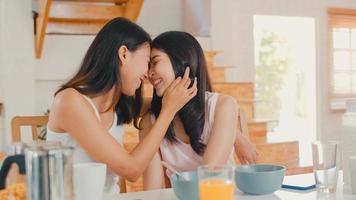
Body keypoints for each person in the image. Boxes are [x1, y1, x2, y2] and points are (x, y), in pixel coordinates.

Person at [46, 18, 197, 193]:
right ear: (124, 54)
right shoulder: (69, 102)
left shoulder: (118, 104)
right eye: (147, 61)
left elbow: (162, 104)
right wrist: (168, 111)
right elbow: (131, 170)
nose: (147, 74)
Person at [139, 31, 258, 189]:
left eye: (155, 62)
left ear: (181, 60)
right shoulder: (150, 122)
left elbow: (210, 175)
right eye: (148, 66)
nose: (149, 73)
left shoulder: (223, 106)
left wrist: (233, 133)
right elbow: (152, 191)